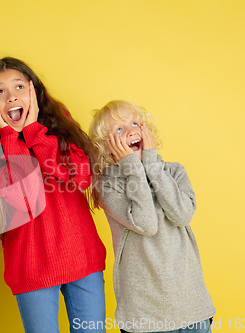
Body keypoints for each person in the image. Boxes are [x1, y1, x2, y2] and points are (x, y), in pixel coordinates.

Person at [0, 57, 107, 333]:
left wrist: (33, 131)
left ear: (34, 91)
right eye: (0, 91)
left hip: (82, 257)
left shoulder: (61, 126)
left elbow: (81, 176)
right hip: (31, 267)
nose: (11, 97)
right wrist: (10, 136)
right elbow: (26, 199)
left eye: (19, 86)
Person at [89, 100, 215, 333]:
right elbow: (146, 224)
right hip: (144, 315)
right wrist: (133, 168)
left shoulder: (174, 171)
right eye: (118, 129)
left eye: (135, 123)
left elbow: (182, 215)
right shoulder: (108, 185)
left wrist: (153, 167)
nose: (131, 130)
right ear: (105, 146)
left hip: (192, 308)